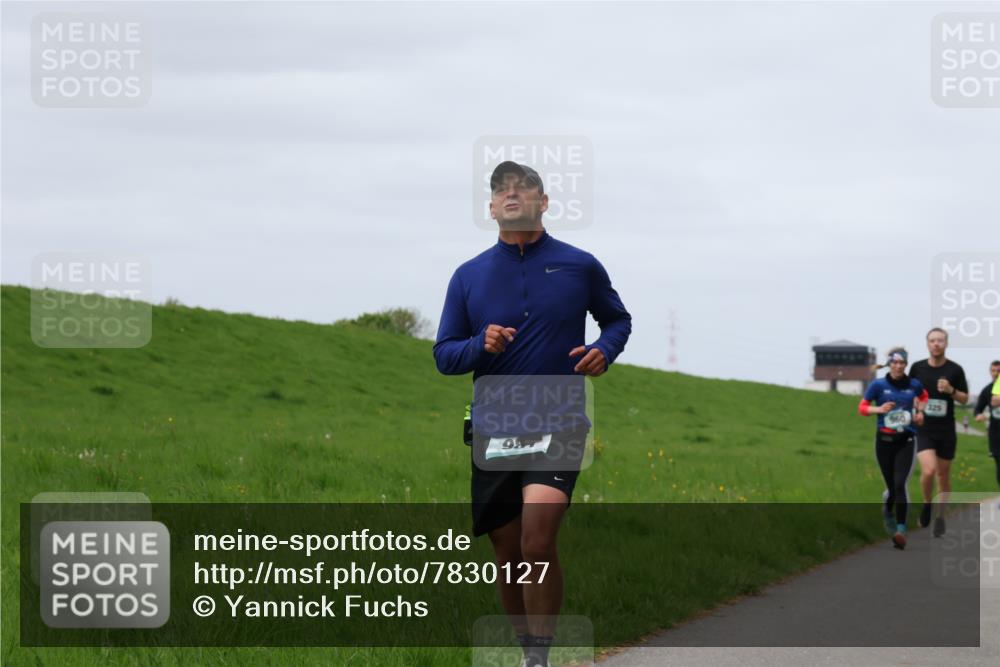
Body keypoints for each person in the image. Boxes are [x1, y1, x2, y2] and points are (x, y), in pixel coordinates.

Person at [433, 161, 631, 667]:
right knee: (508, 551)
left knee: (537, 540)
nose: (512, 194)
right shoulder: (468, 276)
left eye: (524, 188)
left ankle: (539, 658)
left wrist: (604, 350)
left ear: (545, 203)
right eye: (502, 190)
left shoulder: (579, 265)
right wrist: (482, 343)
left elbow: (617, 319)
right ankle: (526, 651)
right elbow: (445, 355)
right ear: (492, 208)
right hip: (495, 424)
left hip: (560, 418)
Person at [859, 348, 927, 549]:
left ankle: (901, 530)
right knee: (891, 487)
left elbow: (924, 397)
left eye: (902, 363)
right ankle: (887, 511)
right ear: (889, 364)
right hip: (884, 442)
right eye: (895, 363)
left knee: (900, 484)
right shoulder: (878, 385)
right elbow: (862, 408)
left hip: (906, 440)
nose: (898, 367)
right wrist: (878, 409)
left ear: (906, 364)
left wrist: (920, 413)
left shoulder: (914, 384)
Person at [907, 328, 968, 537]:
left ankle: (940, 516)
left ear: (946, 344)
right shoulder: (917, 368)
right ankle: (926, 503)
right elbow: (909, 393)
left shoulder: (955, 370)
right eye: (932, 341)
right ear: (927, 344)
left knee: (943, 475)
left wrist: (951, 390)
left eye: (940, 341)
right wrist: (916, 409)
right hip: (924, 428)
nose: (936, 344)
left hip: (946, 430)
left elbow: (964, 399)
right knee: (929, 471)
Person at [974, 361, 1000, 490]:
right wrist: (979, 415)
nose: (996, 374)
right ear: (990, 372)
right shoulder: (987, 390)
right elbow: (978, 409)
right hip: (995, 434)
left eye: (998, 371)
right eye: (993, 371)